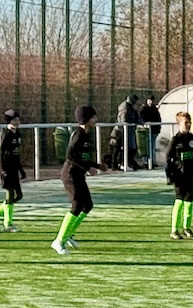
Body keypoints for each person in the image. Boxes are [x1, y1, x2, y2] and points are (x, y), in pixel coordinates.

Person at [52, 105, 110, 255]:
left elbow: (83, 157)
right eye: (93, 117)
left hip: (78, 174)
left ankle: (69, 234)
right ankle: (59, 241)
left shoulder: (86, 135)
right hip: (70, 175)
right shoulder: (78, 135)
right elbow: (70, 156)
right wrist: (87, 168)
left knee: (88, 205)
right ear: (85, 119)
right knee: (77, 206)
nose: (96, 119)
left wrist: (97, 166)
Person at [165, 110, 193, 239]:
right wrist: (170, 176)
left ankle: (187, 228)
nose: (188, 125)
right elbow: (168, 159)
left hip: (191, 176)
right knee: (179, 201)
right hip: (179, 176)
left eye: (189, 122)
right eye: (185, 122)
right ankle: (174, 230)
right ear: (179, 124)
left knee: (189, 202)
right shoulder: (175, 140)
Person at [0, 109, 26, 233]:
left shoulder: (18, 134)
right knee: (10, 194)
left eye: (18, 119)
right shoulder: (6, 135)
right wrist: (3, 169)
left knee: (19, 196)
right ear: (10, 121)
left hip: (14, 169)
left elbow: (17, 154)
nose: (18, 121)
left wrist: (21, 169)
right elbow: (1, 153)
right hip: (6, 169)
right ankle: (8, 224)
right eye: (15, 119)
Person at [115, 94, 141, 171]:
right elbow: (124, 120)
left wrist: (141, 122)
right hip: (124, 131)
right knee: (126, 148)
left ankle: (128, 163)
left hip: (129, 130)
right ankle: (123, 163)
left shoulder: (131, 108)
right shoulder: (125, 107)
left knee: (132, 148)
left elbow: (136, 117)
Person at [139, 96, 162, 165]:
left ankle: (152, 160)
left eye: (151, 100)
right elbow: (141, 117)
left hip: (154, 129)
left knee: (152, 145)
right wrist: (144, 124)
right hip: (147, 129)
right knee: (147, 145)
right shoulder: (144, 109)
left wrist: (158, 128)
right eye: (149, 100)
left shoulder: (155, 109)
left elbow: (158, 119)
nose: (150, 102)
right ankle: (147, 160)